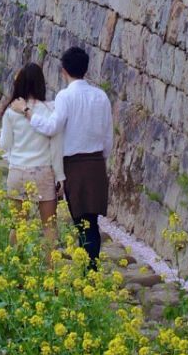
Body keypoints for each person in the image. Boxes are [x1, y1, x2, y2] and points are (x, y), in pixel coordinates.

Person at [13, 45, 113, 265]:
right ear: (86, 69)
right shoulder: (101, 96)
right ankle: (91, 271)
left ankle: (88, 271)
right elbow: (108, 138)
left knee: (81, 221)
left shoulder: (65, 96)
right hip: (96, 164)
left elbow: (51, 127)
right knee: (91, 222)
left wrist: (27, 112)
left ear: (63, 70)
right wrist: (100, 160)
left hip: (74, 165)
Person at [0, 62, 62, 253]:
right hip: (43, 171)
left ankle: (15, 269)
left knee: (18, 225)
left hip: (18, 171)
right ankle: (52, 272)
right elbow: (56, 148)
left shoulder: (11, 112)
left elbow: (4, 144)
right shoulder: (51, 110)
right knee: (49, 226)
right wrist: (60, 177)